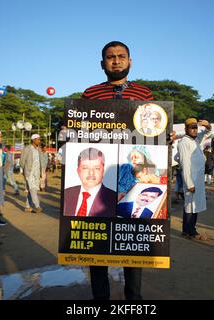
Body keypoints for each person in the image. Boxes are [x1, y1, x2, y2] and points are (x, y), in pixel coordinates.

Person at [81, 41, 154, 300]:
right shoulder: (90, 95)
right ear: (102, 64)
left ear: (130, 61)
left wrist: (162, 138)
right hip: (100, 177)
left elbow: (153, 133)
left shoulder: (145, 95)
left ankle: (133, 300)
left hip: (130, 181)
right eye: (110, 57)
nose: (116, 61)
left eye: (121, 56)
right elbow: (80, 133)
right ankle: (100, 301)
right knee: (97, 244)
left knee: (132, 244)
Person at [178, 118, 214, 241]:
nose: (194, 130)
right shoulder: (184, 142)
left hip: (197, 180)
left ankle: (185, 230)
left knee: (192, 205)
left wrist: (208, 125)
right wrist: (189, 183)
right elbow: (185, 164)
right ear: (186, 129)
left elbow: (208, 134)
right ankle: (191, 231)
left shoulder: (194, 140)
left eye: (195, 128)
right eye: (191, 128)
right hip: (191, 180)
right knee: (191, 206)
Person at [64, 147, 116, 217]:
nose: (91, 173)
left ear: (103, 171)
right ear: (78, 171)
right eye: (85, 168)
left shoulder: (114, 200)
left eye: (97, 168)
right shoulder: (66, 194)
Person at [20, 134, 43, 213]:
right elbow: (22, 161)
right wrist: (23, 171)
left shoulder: (38, 149)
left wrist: (40, 172)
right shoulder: (27, 149)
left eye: (39, 139)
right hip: (29, 172)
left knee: (31, 190)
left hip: (36, 173)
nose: (39, 141)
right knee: (33, 189)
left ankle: (27, 207)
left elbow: (39, 161)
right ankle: (37, 206)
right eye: (37, 139)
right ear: (33, 140)